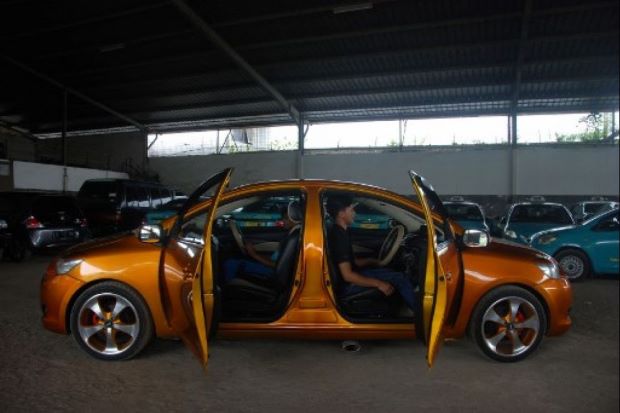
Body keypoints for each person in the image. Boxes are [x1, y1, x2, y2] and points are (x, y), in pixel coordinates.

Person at [326, 195, 415, 311]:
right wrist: (379, 283)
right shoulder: (338, 237)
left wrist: (373, 261)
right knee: (399, 278)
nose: (355, 213)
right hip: (347, 287)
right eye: (351, 209)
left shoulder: (341, 232)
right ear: (342, 214)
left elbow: (354, 262)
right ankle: (420, 315)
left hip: (352, 276)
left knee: (393, 273)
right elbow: (347, 275)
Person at [223, 200, 301, 283]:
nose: (282, 220)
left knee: (231, 264)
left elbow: (278, 265)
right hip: (271, 268)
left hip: (273, 273)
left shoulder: (294, 238)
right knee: (235, 261)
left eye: (285, 218)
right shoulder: (292, 234)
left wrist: (254, 254)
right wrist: (255, 253)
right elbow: (276, 260)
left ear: (294, 218)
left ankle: (228, 290)